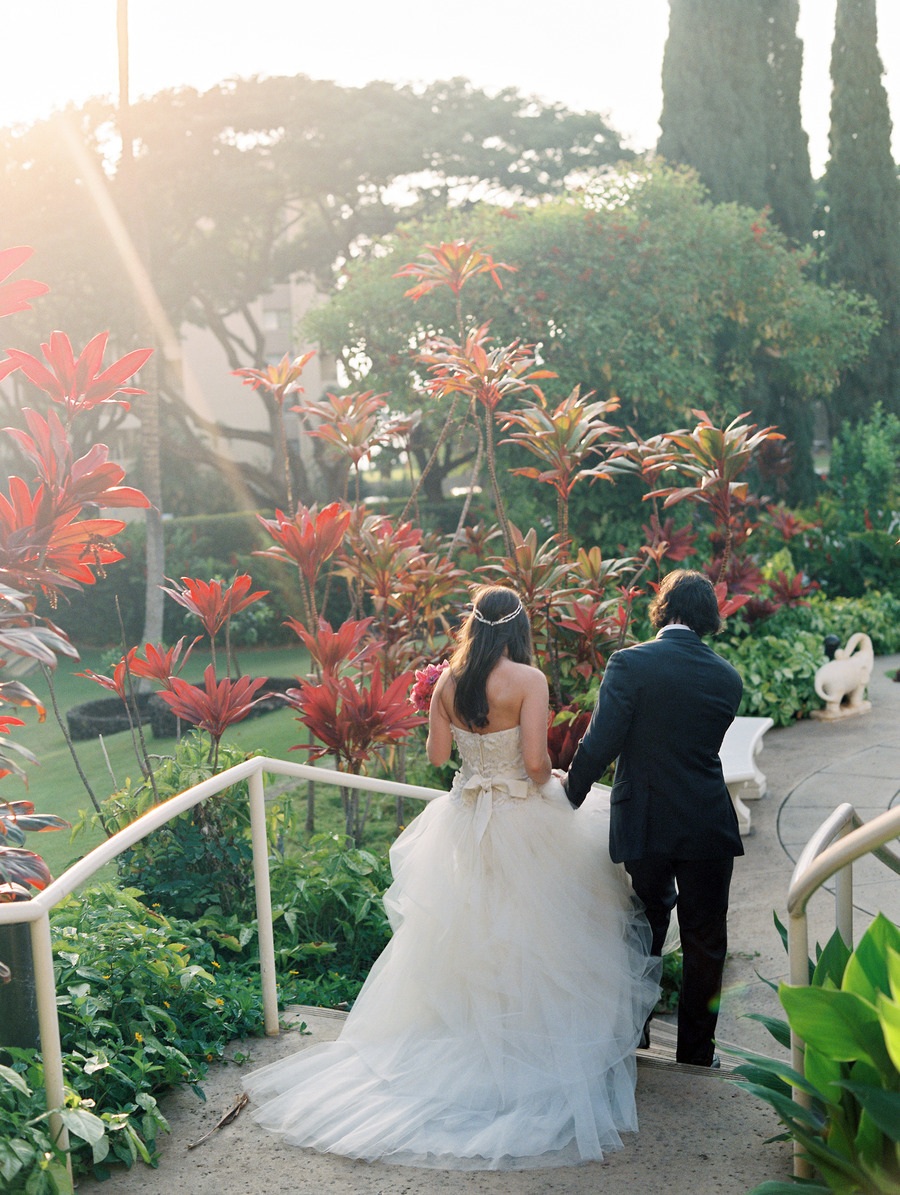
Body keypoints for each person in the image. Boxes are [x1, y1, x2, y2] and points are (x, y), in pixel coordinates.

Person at [244, 584, 659, 1170]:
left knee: (472, 931)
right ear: (517, 629)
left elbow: (440, 759)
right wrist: (557, 780)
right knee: (538, 932)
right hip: (523, 815)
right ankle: (528, 1046)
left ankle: (470, 1036)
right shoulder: (529, 681)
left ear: (474, 626)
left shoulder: (447, 683)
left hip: (467, 822)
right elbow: (538, 766)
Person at [565, 569, 744, 1068]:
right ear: (709, 617)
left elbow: (601, 742)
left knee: (643, 925)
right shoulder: (728, 679)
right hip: (708, 821)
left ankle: (634, 1037)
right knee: (707, 939)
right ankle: (696, 1056)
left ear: (662, 608)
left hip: (644, 819)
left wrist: (569, 798)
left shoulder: (630, 664)